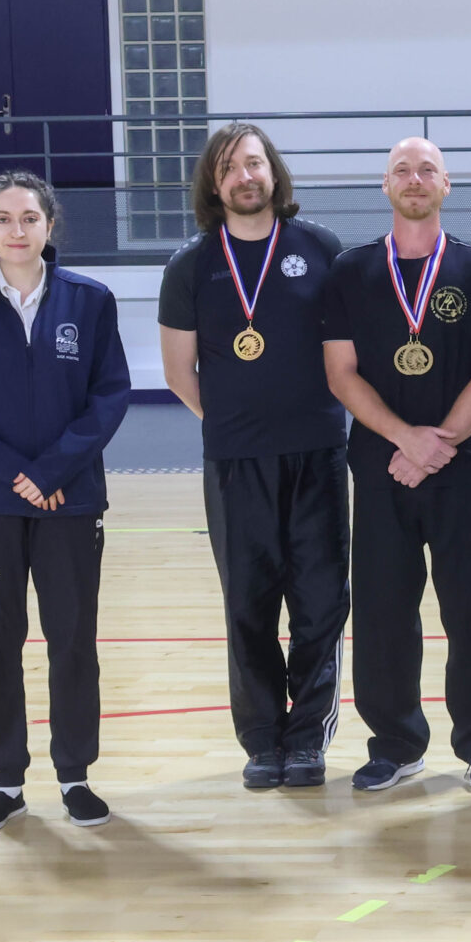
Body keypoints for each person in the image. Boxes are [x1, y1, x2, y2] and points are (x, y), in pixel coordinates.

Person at [0, 171, 132, 834]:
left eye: (30, 218)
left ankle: (75, 775)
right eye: (4, 219)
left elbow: (109, 395)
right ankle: (6, 781)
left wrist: (53, 469)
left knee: (72, 639)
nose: (18, 230)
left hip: (70, 500)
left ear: (49, 224)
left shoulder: (90, 301)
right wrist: (20, 474)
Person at [321, 137, 471, 794]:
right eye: (402, 170)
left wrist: (441, 443)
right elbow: (341, 373)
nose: (414, 179)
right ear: (385, 185)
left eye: (426, 169)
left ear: (446, 184)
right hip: (382, 467)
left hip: (463, 465)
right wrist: (406, 440)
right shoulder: (350, 271)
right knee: (382, 610)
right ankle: (396, 743)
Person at [159, 123, 351, 790]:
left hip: (319, 454)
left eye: (253, 163)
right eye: (229, 168)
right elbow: (179, 372)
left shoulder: (319, 248)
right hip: (237, 460)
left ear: (273, 172)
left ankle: (309, 735)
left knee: (320, 601)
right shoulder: (191, 264)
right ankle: (263, 738)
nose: (244, 176)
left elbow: (346, 352)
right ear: (213, 185)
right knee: (248, 602)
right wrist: (234, 424)